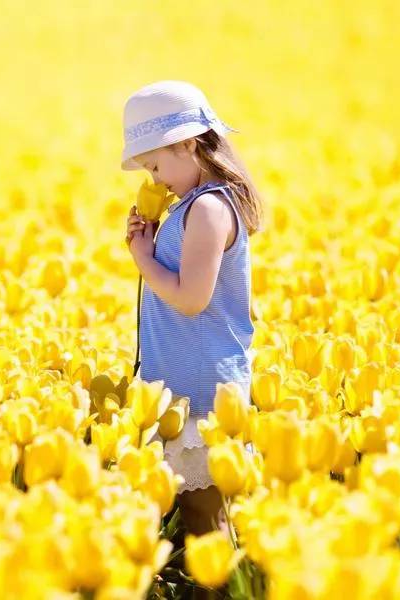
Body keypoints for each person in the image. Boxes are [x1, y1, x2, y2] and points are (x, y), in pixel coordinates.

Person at [122, 80, 263, 536]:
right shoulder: (192, 207)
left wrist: (143, 258)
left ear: (186, 143)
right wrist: (153, 235)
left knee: (206, 516)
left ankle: (216, 589)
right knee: (191, 514)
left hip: (203, 388)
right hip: (183, 379)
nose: (154, 179)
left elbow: (191, 298)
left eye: (157, 165)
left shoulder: (208, 210)